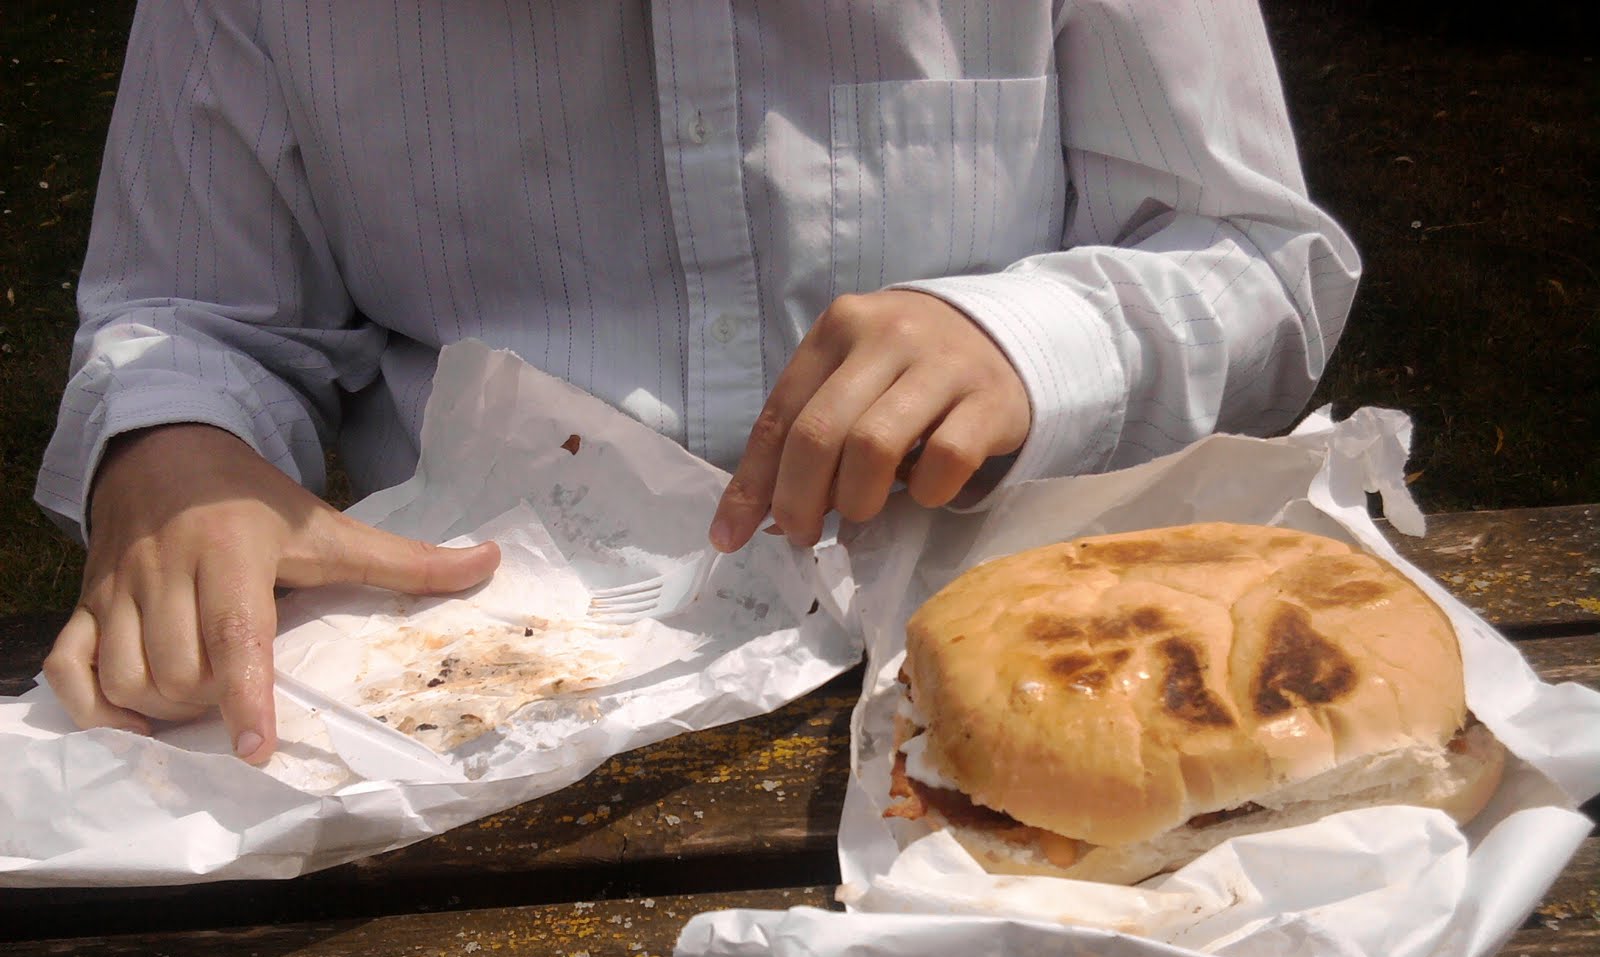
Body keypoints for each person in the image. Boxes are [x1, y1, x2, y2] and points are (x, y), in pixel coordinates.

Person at [34, 0, 1359, 765]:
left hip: (1038, 687)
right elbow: (193, 311)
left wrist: (1033, 338)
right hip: (457, 718)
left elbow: (1258, 257)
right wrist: (175, 451)